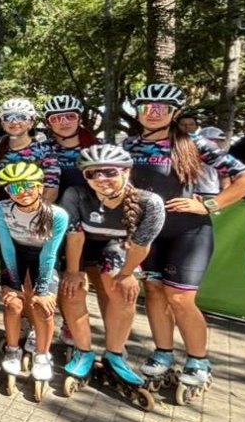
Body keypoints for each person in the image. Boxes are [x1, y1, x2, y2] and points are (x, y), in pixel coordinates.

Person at [124, 83, 245, 393]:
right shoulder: (129, 145)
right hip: (149, 232)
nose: (153, 113)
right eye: (147, 108)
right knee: (154, 291)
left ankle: (198, 360)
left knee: (180, 298)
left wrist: (209, 205)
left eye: (161, 108)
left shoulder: (194, 143)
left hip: (189, 230)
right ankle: (163, 353)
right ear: (138, 112)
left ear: (175, 113)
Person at [58, 145, 166, 390]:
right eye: (92, 174)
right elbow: (75, 237)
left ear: (126, 172)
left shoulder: (150, 203)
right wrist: (73, 272)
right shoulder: (76, 194)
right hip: (82, 245)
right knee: (71, 290)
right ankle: (83, 351)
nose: (101, 179)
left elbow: (140, 245)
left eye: (109, 172)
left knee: (124, 292)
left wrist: (127, 274)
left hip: (117, 246)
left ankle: (115, 354)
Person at [0, 162, 69, 392]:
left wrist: (43, 291)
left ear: (40, 187)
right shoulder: (0, 210)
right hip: (16, 255)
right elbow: (6, 248)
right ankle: (12, 350)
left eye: (28, 186)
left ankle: (43, 355)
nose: (22, 192)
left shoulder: (57, 215)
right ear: (7, 191)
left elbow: (49, 254)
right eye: (14, 188)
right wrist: (14, 285)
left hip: (42, 257)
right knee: (13, 304)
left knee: (43, 306)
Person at [0, 98, 59, 204]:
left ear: (31, 123)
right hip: (2, 209)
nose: (14, 121)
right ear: (2, 124)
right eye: (8, 117)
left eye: (21, 117)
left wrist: (34, 212)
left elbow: (51, 190)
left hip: (36, 209)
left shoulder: (46, 152)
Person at [41, 95, 101, 200]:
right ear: (48, 123)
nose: (64, 122)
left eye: (71, 116)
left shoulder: (100, 147)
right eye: (56, 118)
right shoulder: (40, 150)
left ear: (79, 119)